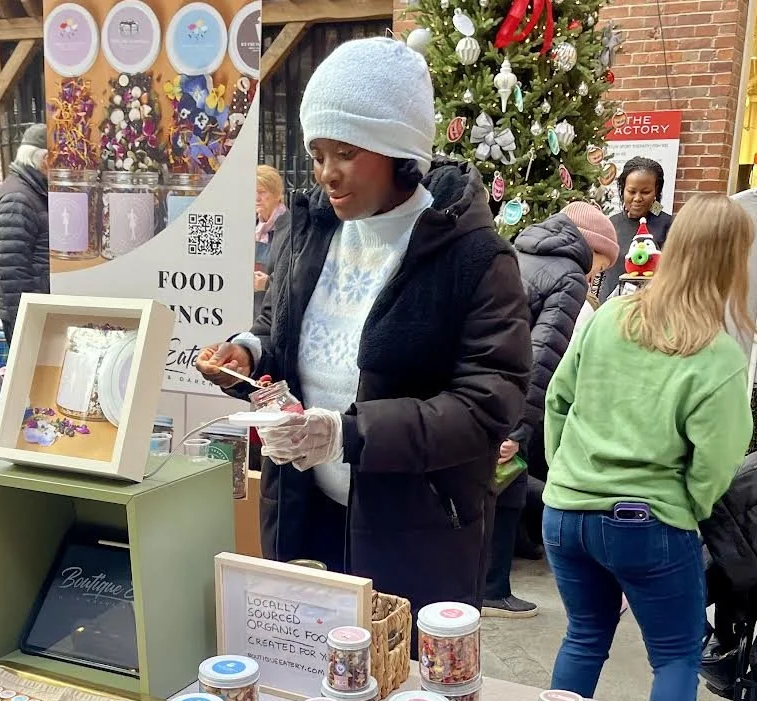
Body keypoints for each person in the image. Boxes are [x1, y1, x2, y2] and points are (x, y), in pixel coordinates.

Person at [195, 35, 530, 613]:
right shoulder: (312, 230)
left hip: (416, 534)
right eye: (318, 153)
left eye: (346, 152)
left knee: (402, 683)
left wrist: (349, 433)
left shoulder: (473, 255)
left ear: (397, 148)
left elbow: (486, 405)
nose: (327, 173)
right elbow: (280, 327)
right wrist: (247, 355)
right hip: (306, 511)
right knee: (307, 675)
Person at [541, 194, 755, 701]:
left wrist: (567, 477)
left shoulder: (611, 314)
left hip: (565, 514)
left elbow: (557, 400)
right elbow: (718, 456)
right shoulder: (717, 353)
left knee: (585, 636)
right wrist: (688, 506)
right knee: (675, 658)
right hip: (648, 521)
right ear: (733, 262)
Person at [484, 202, 619, 616]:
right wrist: (515, 429)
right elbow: (542, 358)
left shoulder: (519, 252)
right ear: (589, 247)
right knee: (507, 484)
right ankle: (490, 587)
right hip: (510, 400)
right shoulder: (569, 276)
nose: (600, 273)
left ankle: (490, 584)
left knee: (504, 490)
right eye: (602, 262)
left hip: (481, 386)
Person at [0, 123, 48, 344]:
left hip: (35, 310)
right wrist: (26, 322)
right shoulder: (18, 198)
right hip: (27, 315)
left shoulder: (31, 192)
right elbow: (12, 271)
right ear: (46, 161)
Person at [597, 157, 675, 302]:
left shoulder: (670, 225)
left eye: (645, 192)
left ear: (656, 192)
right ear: (622, 189)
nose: (637, 198)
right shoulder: (610, 224)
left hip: (651, 309)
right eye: (631, 191)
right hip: (610, 309)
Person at [254, 164, 287, 304]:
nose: (256, 197)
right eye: (253, 191)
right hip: (249, 310)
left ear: (277, 194)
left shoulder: (291, 228)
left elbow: (297, 279)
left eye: (262, 192)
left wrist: (268, 283)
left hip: (272, 311)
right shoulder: (250, 225)